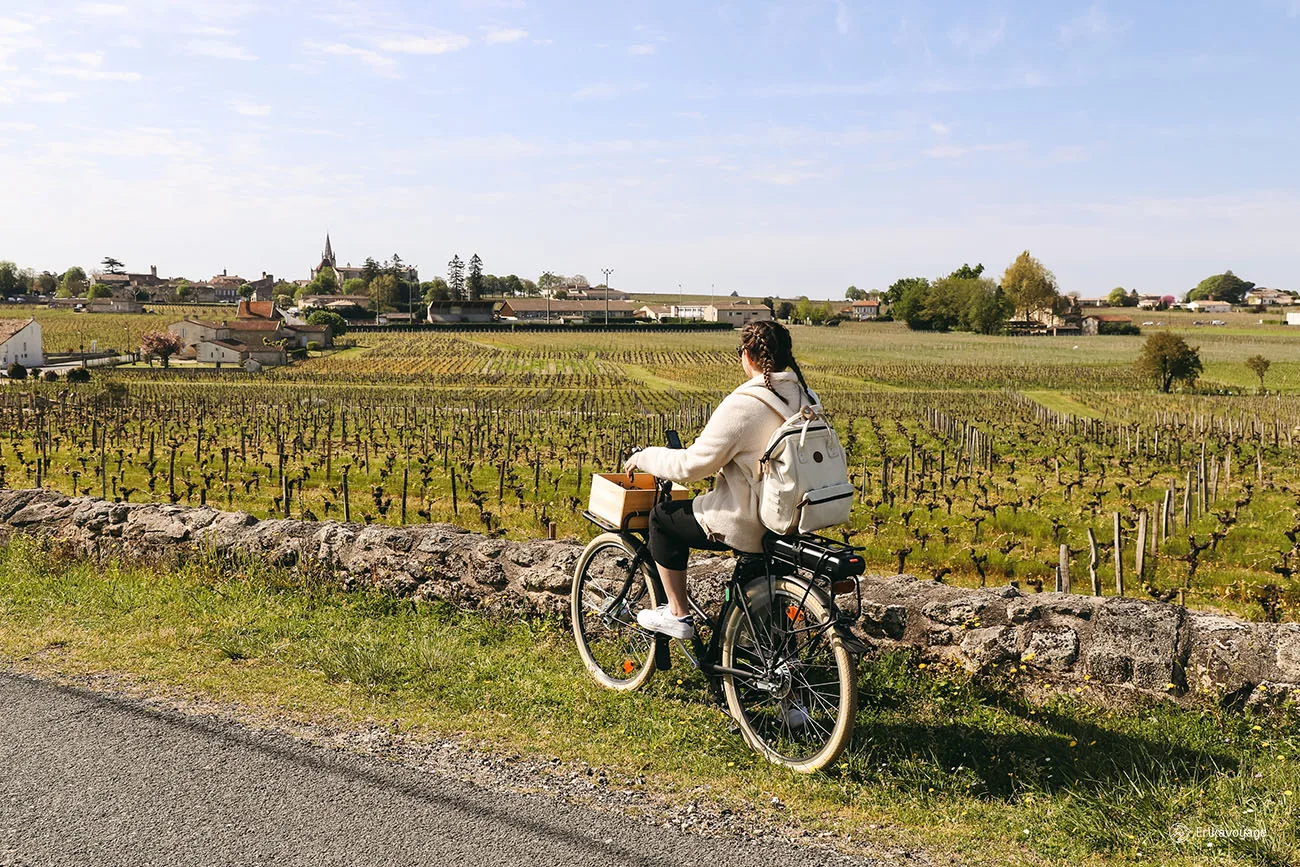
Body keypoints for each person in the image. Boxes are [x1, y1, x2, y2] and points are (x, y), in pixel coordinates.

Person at [623, 319, 818, 639]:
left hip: (748, 521)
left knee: (662, 518)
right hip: (794, 519)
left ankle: (677, 615)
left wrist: (645, 457)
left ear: (748, 356)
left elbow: (691, 466)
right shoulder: (806, 396)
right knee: (770, 622)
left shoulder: (746, 404)